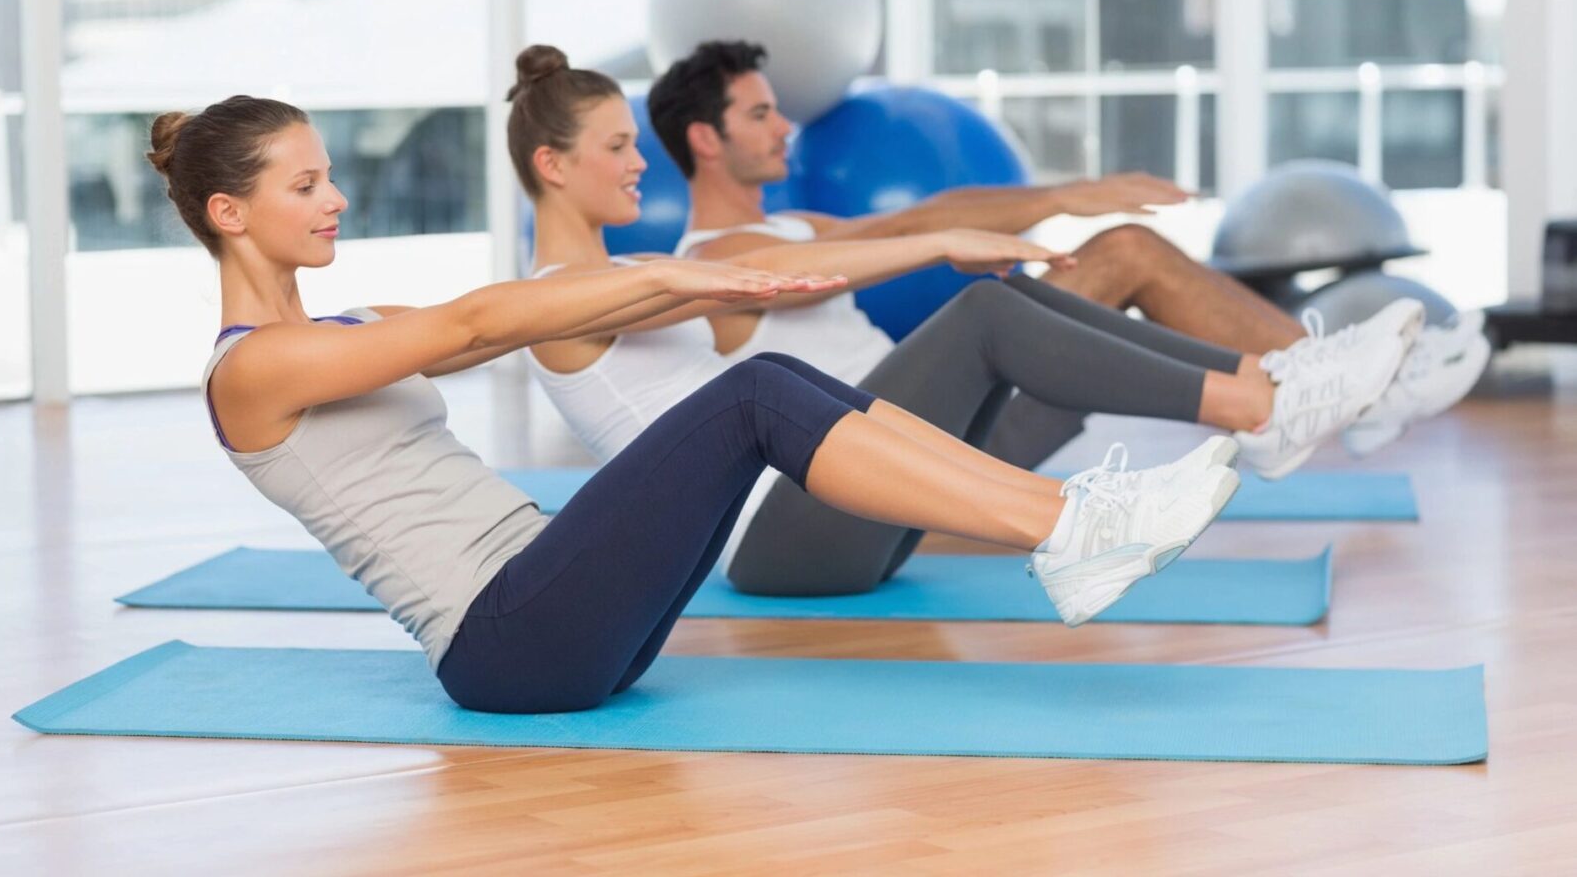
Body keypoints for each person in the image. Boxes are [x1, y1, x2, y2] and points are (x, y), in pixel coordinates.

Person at [150, 92, 1246, 716]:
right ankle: (1067, 531)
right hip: (509, 644)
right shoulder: (251, 370)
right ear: (228, 213)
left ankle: (1072, 528)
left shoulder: (336, 336)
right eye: (304, 185)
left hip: (560, 605)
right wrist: (677, 277)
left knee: (787, 388)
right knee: (756, 395)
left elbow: (524, 306)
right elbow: (474, 326)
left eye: (326, 173)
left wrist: (663, 278)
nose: (335, 196)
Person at [514, 44, 1416, 596]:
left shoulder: (634, 268)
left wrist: (979, 222)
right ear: (555, 166)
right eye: (617, 146)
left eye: (636, 141)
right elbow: (755, 275)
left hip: (848, 508)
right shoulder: (558, 298)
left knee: (1008, 299)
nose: (640, 163)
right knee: (985, 308)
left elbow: (786, 262)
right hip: (772, 541)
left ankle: (1269, 395)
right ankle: (1261, 406)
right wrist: (942, 239)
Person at [648, 40, 1492, 460]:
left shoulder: (795, 225)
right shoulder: (710, 263)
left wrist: (1059, 196)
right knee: (1121, 253)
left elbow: (924, 212)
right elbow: (878, 240)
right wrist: (1038, 208)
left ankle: (1330, 389)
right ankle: (1326, 394)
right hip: (911, 455)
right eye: (759, 114)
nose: (783, 125)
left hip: (951, 423)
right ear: (705, 139)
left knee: (1124, 246)